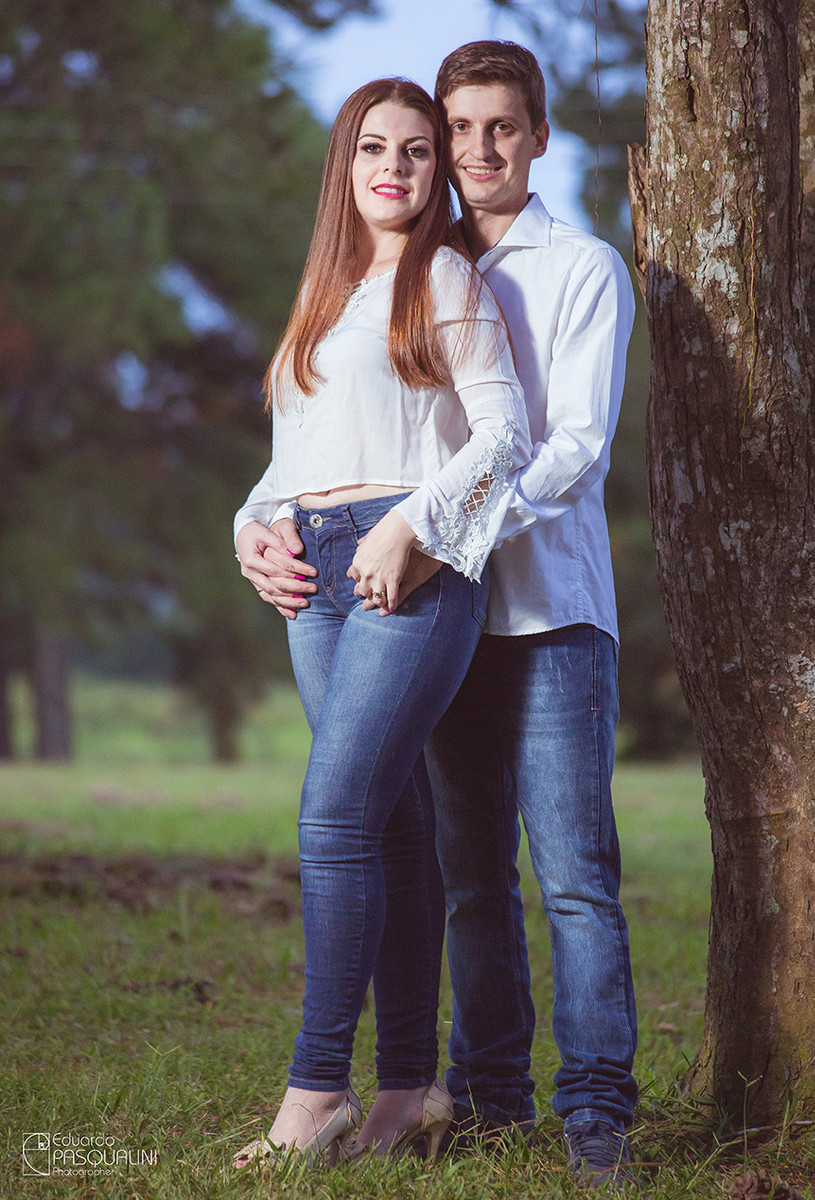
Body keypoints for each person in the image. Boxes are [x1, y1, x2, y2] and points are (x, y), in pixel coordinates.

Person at [231, 77, 531, 1168]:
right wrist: (249, 529)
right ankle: (408, 1090)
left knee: (334, 816)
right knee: (392, 831)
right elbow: (291, 456)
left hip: (411, 568)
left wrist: (408, 528)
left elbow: (502, 435)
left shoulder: (441, 275)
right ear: (343, 166)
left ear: (433, 170)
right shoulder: (324, 290)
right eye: (373, 148)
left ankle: (316, 1092)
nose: (395, 168)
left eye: (415, 150)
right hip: (313, 569)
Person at [422, 41, 639, 1192]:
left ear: (537, 136)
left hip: (552, 615)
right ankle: (490, 1101)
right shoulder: (423, 266)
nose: (477, 152)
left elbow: (577, 450)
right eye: (458, 130)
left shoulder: (583, 267)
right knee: (470, 881)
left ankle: (596, 1109)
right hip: (446, 622)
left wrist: (453, 529)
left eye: (499, 127)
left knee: (571, 879)